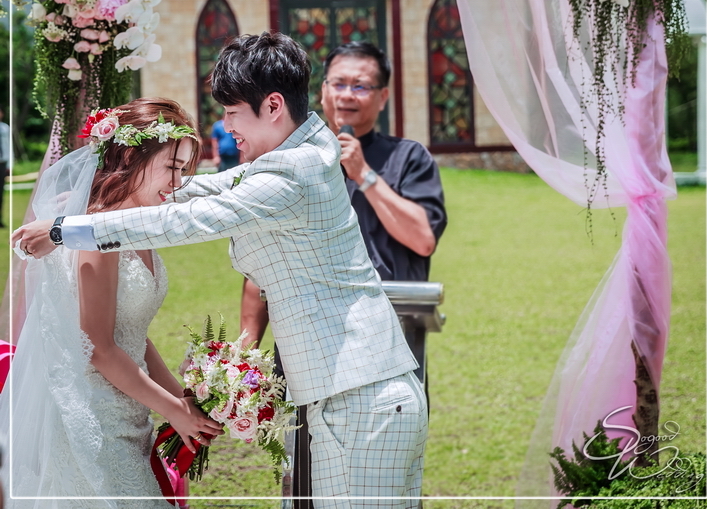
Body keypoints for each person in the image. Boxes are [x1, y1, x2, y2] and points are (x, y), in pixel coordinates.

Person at [16, 33, 428, 507]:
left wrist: (68, 229)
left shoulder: (293, 172)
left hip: (361, 399)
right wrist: (106, 201)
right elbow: (205, 190)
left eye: (232, 113)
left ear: (273, 105)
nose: (226, 125)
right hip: (355, 396)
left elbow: (188, 219)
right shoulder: (300, 155)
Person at [2, 98, 222, 507]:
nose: (178, 183)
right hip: (93, 416)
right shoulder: (95, 235)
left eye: (184, 170)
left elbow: (133, 333)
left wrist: (184, 401)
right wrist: (173, 409)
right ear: (130, 158)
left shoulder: (135, 229)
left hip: (128, 409)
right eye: (171, 167)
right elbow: (100, 348)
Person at [240, 40, 447, 345]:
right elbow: (262, 262)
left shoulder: (409, 158)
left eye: (361, 86)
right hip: (304, 336)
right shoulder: (290, 159)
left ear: (383, 97)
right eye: (338, 83)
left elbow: (423, 239)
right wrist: (246, 352)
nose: (347, 94)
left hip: (387, 334)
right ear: (323, 91)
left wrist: (363, 174)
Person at [0, 110, 10, 229]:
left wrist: (9, 165)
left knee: (1, 192)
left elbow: (8, 146)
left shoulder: (5, 128)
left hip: (2, 162)